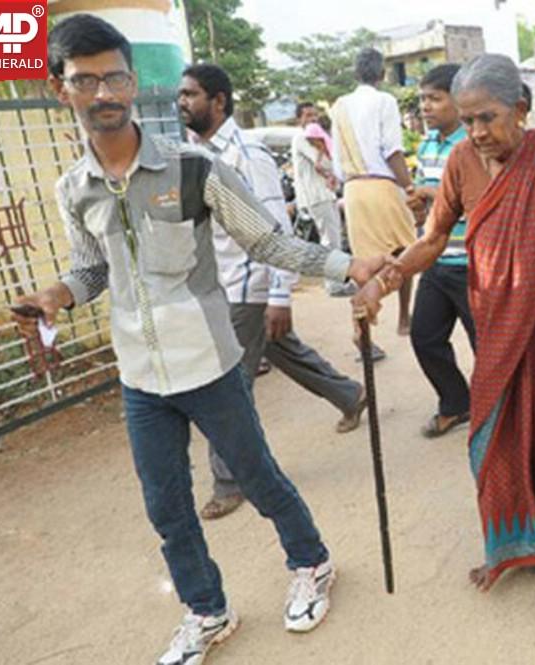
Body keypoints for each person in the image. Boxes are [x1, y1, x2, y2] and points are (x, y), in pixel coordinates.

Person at [15, 15, 383, 665]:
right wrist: (56, 295)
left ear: (133, 83)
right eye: (85, 80)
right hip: (140, 374)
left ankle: (312, 562)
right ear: (59, 87)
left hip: (208, 361)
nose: (104, 93)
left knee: (258, 476)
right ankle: (207, 610)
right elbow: (90, 270)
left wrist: (342, 265)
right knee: (166, 506)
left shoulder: (192, 168)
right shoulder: (74, 188)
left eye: (116, 78)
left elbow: (266, 240)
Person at [352, 54, 535, 591]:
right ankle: (515, 544)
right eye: (467, 120)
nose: (477, 132)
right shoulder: (460, 161)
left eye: (487, 118)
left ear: (521, 111)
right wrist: (382, 281)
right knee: (497, 437)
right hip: (498, 323)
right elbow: (434, 239)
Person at [178, 64, 368, 521]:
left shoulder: (248, 155)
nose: (182, 102)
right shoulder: (190, 154)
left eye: (191, 94)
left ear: (219, 101)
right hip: (217, 284)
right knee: (282, 350)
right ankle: (349, 394)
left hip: (248, 285)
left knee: (226, 388)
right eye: (180, 94)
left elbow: (275, 232)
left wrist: (280, 295)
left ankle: (230, 480)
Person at [405, 63, 475, 438]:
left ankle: (502, 414)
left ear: (457, 99)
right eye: (422, 100)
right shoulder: (428, 144)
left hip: (471, 262)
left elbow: (481, 200)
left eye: (434, 98)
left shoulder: (473, 141)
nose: (426, 107)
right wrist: (417, 202)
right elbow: (423, 191)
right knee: (425, 336)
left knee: (488, 344)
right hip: (436, 259)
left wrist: (434, 196)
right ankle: (456, 403)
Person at [331, 48, 419, 338]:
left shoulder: (339, 105)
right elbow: (392, 150)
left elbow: (336, 161)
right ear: (382, 74)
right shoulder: (385, 101)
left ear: (356, 74)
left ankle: (363, 330)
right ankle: (404, 318)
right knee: (405, 251)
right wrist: (409, 188)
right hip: (382, 185)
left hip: (354, 189)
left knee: (363, 263)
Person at [291, 103, 351, 296]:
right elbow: (323, 163)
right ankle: (335, 285)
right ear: (299, 119)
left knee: (333, 238)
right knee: (330, 241)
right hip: (317, 196)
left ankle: (334, 282)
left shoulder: (316, 138)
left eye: (315, 115)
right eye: (308, 115)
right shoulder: (303, 138)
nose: (313, 119)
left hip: (325, 194)